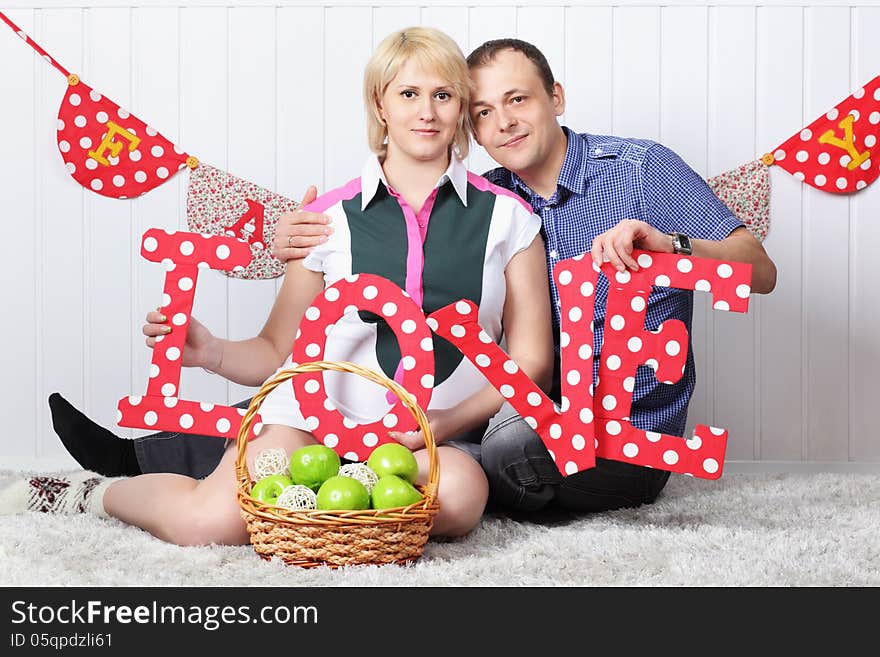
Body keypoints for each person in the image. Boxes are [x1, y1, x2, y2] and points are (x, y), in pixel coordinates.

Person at [46, 38, 777, 517]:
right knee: (310, 445)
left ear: (557, 98)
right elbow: (284, 345)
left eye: (515, 100)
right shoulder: (489, 196)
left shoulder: (626, 174)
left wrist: (672, 244)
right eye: (484, 109)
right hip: (485, 413)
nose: (501, 122)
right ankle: (142, 464)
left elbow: (758, 269)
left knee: (485, 470)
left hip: (588, 431)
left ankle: (201, 462)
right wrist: (276, 258)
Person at [0, 28, 554, 542]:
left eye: (443, 95)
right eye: (408, 94)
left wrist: (447, 421)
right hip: (312, 422)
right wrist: (210, 350)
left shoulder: (509, 220)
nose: (426, 112)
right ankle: (96, 495)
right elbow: (275, 351)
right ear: (379, 106)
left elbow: (530, 359)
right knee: (210, 523)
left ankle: (322, 502)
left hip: (433, 439)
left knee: (456, 501)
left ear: (461, 107)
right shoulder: (325, 219)